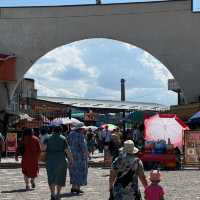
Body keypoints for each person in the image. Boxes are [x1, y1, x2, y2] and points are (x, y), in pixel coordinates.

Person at [44, 126, 73, 200]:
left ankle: (52, 194)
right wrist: (71, 159)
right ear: (61, 131)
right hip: (61, 160)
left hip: (50, 160)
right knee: (60, 177)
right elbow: (67, 150)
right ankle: (58, 194)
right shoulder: (63, 138)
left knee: (51, 177)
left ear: (53, 130)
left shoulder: (47, 138)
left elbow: (43, 148)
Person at [67, 122, 88, 194]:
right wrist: (86, 154)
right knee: (80, 171)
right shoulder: (80, 135)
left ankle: (73, 187)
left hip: (71, 156)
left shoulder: (70, 134)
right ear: (81, 129)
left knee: (73, 171)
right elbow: (83, 146)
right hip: (79, 157)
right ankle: (78, 188)